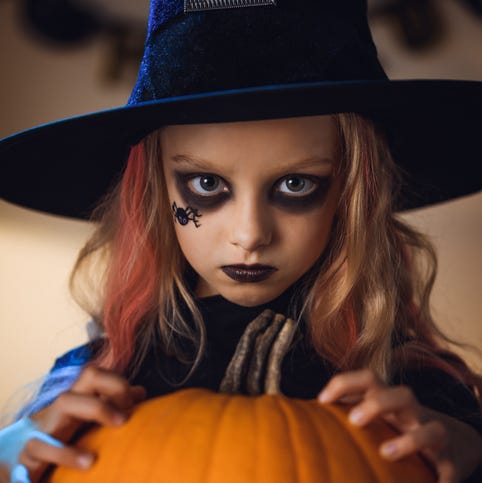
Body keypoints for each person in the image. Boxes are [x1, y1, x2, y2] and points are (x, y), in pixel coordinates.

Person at [1, 1, 481, 482]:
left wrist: (467, 447)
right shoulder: (110, 363)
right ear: (154, 188)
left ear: (352, 192)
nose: (250, 235)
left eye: (296, 186)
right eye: (206, 186)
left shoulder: (402, 374)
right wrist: (10, 452)